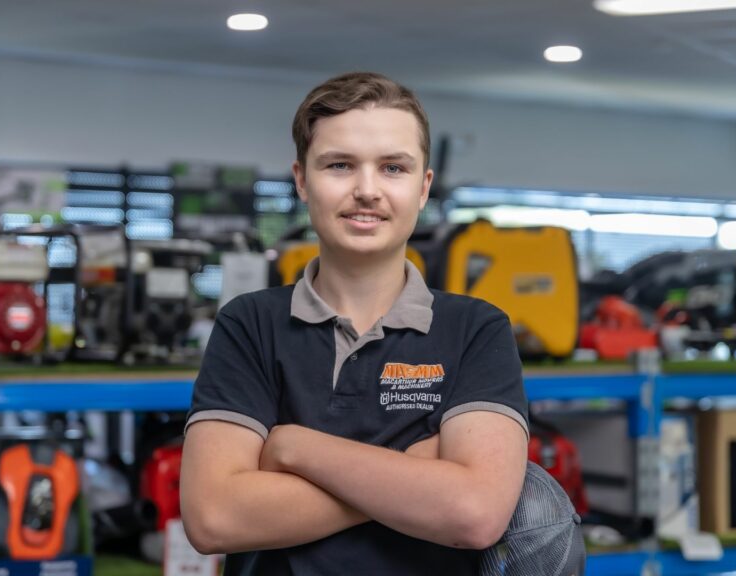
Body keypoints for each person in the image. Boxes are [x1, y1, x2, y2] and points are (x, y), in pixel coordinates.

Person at [181, 72, 530, 575]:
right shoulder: (250, 324)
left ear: (423, 186)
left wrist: (293, 447)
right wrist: (413, 474)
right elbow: (214, 518)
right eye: (340, 165)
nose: (367, 190)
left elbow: (474, 514)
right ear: (302, 179)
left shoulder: (476, 330)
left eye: (393, 168)